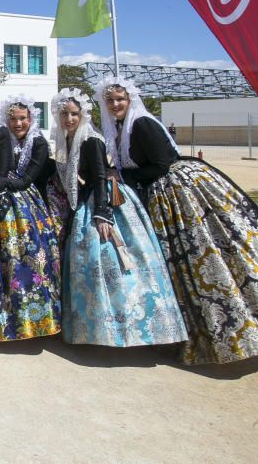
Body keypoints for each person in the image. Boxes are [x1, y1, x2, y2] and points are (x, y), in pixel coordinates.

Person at [96, 76, 258, 364]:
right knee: (181, 265)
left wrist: (122, 176)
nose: (116, 104)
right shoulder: (119, 128)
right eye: (111, 101)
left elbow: (161, 164)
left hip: (177, 192)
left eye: (121, 99)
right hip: (159, 195)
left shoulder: (141, 123)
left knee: (200, 257)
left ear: (130, 100)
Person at [52, 88, 186, 348]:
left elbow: (101, 176)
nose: (69, 118)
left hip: (105, 200)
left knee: (113, 261)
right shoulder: (69, 139)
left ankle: (127, 328)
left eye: (74, 114)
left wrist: (103, 215)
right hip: (88, 199)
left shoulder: (90, 139)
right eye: (64, 114)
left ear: (83, 115)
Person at [0, 89, 63, 341]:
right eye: (13, 119)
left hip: (26, 206)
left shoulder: (38, 142)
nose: (18, 123)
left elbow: (28, 179)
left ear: (31, 119)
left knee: (30, 258)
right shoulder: (0, 138)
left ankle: (36, 320)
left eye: (22, 119)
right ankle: (2, 321)